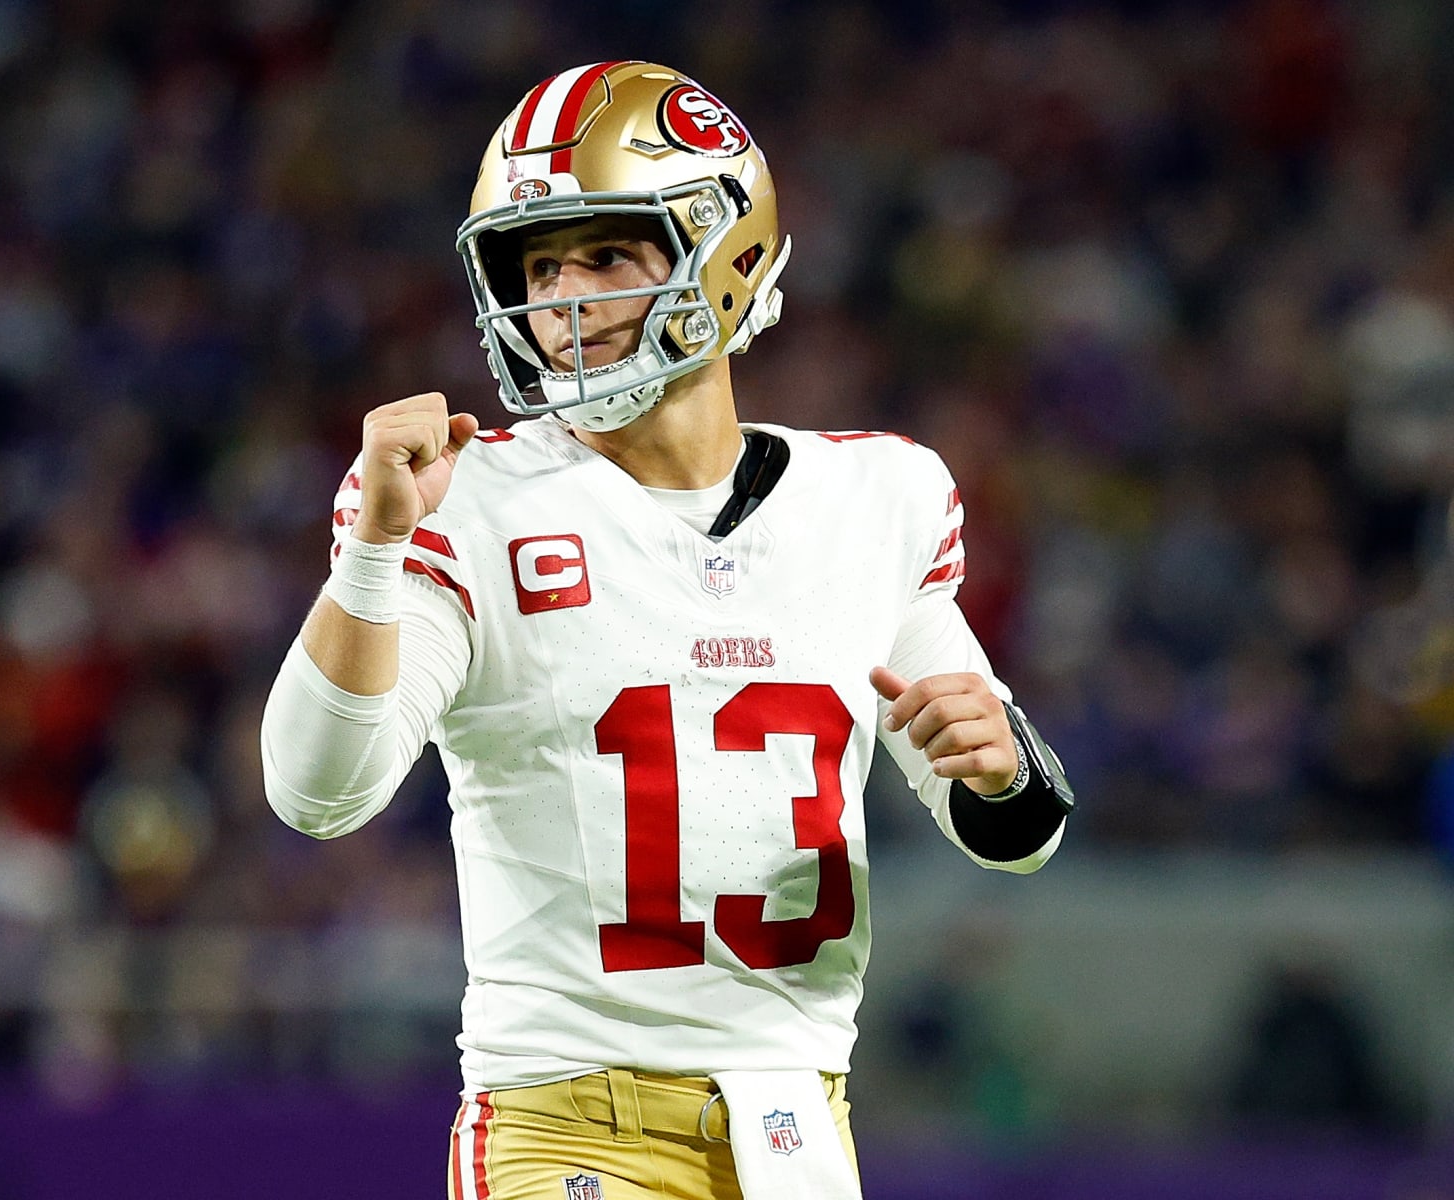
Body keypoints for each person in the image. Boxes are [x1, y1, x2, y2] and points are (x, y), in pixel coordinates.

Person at [261, 60, 1074, 1200]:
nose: (562, 297)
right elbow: (316, 792)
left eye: (603, 254)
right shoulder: (469, 501)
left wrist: (994, 769)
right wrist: (373, 556)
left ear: (726, 249)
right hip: (569, 1125)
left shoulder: (879, 498)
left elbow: (1013, 829)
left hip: (798, 1126)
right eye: (537, 265)